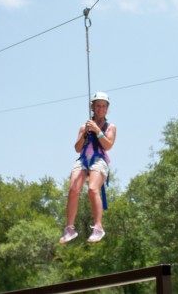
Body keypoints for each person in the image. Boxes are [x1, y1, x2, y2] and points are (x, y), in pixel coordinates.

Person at [60, 92, 117, 243]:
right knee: (73, 189)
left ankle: (98, 227)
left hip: (99, 159)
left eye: (103, 106)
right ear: (92, 107)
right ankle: (69, 228)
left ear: (107, 108)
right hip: (84, 159)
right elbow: (77, 148)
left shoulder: (110, 127)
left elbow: (108, 145)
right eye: (97, 105)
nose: (100, 109)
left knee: (92, 189)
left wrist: (97, 131)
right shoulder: (84, 126)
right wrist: (85, 133)